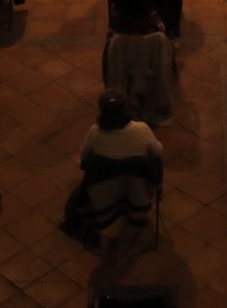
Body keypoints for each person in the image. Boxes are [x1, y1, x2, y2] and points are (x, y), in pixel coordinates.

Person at [66, 89, 165, 249]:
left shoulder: (95, 132)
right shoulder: (141, 129)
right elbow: (158, 152)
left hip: (104, 197)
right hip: (137, 194)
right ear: (126, 109)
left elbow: (83, 155)